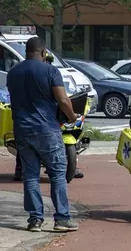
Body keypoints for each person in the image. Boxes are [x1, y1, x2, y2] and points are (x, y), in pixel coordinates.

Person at [6, 36, 80, 233]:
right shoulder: (50, 70)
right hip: (47, 129)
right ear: (44, 52)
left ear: (26, 52)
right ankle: (62, 219)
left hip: (22, 129)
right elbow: (63, 100)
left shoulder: (13, 73)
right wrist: (72, 116)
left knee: (30, 175)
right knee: (57, 174)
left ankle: (35, 220)